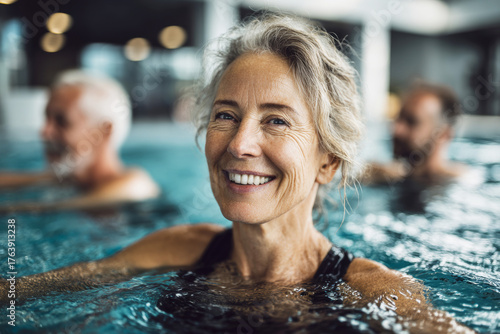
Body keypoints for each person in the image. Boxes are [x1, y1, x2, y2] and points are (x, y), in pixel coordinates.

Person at [0, 14, 473, 332]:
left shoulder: (376, 293)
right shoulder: (177, 249)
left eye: (276, 120)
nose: (240, 144)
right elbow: (23, 294)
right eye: (226, 115)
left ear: (327, 161)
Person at [0, 70, 160, 211]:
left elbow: (52, 208)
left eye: (61, 121)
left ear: (103, 131)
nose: (44, 132)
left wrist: (15, 209)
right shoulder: (72, 177)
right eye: (46, 119)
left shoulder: (134, 185)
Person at [363, 84, 467, 184]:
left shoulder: (461, 183)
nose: (396, 129)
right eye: (398, 118)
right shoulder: (384, 175)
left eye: (411, 122)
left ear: (443, 134)